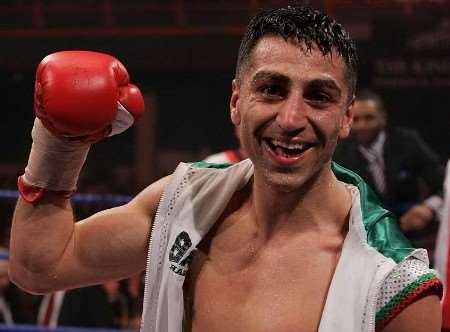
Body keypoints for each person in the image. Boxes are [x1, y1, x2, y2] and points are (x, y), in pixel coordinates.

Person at [9, 6, 442, 332]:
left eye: (319, 96)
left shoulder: (394, 287)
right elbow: (39, 267)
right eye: (271, 89)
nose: (291, 119)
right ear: (237, 101)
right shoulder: (182, 202)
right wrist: (59, 142)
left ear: (346, 116)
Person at [333, 90, 444, 240]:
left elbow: (444, 184)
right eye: (356, 119)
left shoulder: (407, 142)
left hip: (411, 232)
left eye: (369, 118)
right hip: (364, 236)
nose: (362, 125)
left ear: (383, 118)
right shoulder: (339, 153)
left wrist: (428, 208)